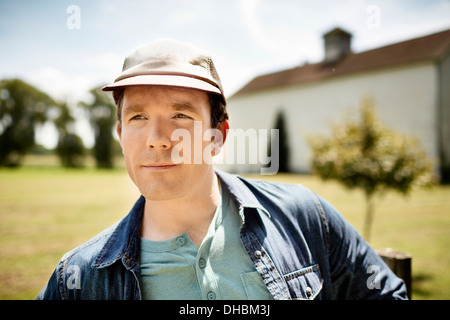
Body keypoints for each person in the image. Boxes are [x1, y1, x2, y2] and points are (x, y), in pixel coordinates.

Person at [37, 39, 407, 300]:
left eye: (180, 114)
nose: (157, 138)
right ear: (120, 133)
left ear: (218, 136)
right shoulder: (79, 279)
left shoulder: (305, 218)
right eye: (138, 116)